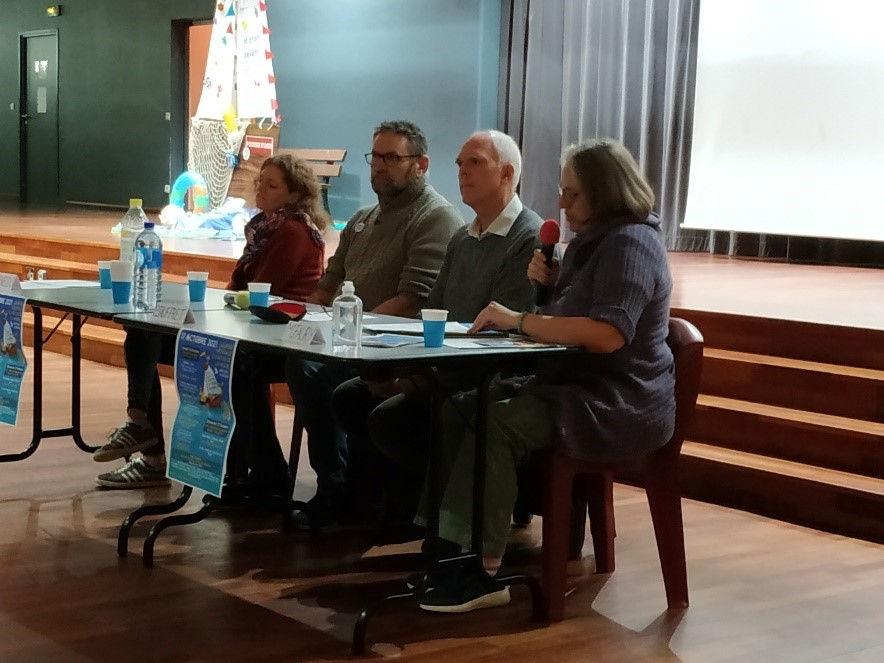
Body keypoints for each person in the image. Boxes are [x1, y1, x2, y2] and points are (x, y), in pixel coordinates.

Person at [415, 138, 676, 614]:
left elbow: (608, 334)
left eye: (573, 193)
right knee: (460, 408)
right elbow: (575, 318)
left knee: (495, 424)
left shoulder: (632, 243)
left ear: (606, 193)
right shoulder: (590, 244)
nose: (562, 203)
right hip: (573, 387)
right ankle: (448, 547)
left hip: (615, 400)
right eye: (563, 191)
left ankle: (482, 570)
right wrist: (551, 289)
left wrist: (519, 319)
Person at [331, 129, 540, 526]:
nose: (462, 171)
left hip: (489, 376)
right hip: (446, 365)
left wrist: (414, 382)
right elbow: (433, 312)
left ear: (507, 173)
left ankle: (424, 514)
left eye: (475, 162)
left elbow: (502, 337)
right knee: (351, 396)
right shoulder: (463, 237)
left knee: (390, 418)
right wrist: (399, 370)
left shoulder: (526, 237)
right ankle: (377, 503)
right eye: (460, 163)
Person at [93, 154, 329, 489]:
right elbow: (238, 288)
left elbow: (261, 289)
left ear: (293, 195)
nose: (260, 188)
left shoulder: (293, 231)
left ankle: (258, 472)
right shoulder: (263, 228)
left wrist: (220, 308)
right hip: (246, 326)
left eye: (272, 185)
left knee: (223, 359)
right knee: (144, 332)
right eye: (260, 181)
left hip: (277, 335)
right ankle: (142, 430)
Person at [285, 119, 463, 528]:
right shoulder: (362, 219)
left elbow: (414, 300)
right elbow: (326, 288)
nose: (380, 165)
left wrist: (348, 333)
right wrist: (300, 325)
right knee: (252, 360)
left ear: (421, 164)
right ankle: (262, 476)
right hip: (346, 340)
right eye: (375, 157)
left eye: (392, 157)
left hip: (393, 349)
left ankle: (336, 488)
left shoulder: (435, 217)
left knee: (308, 369)